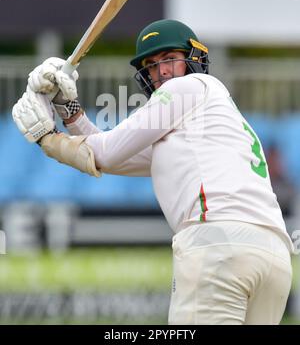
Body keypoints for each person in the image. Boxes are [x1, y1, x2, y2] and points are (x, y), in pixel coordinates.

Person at [12, 19, 293, 325]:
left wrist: (47, 138)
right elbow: (107, 158)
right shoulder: (209, 122)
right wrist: (69, 109)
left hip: (219, 245)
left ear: (194, 59)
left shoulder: (190, 87)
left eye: (170, 58)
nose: (161, 71)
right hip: (274, 257)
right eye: (152, 65)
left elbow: (104, 150)